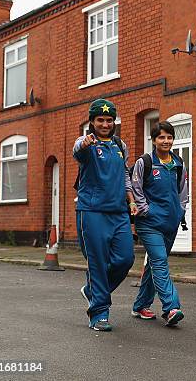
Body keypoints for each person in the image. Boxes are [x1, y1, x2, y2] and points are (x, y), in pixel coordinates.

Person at [74, 98, 137, 332]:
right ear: (92, 122)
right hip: (92, 212)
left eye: (109, 120)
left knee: (125, 259)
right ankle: (99, 312)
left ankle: (92, 291)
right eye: (100, 120)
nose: (105, 124)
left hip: (119, 212)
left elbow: (126, 177)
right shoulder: (87, 145)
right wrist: (84, 143)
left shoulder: (120, 146)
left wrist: (131, 201)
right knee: (98, 263)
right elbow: (77, 149)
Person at [130, 121, 188, 326]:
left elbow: (182, 191)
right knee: (160, 261)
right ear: (153, 140)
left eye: (169, 137)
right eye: (161, 137)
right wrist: (146, 210)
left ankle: (140, 306)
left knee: (155, 263)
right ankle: (171, 308)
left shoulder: (178, 163)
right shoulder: (144, 162)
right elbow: (135, 188)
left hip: (170, 222)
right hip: (149, 223)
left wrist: (180, 211)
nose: (166, 141)